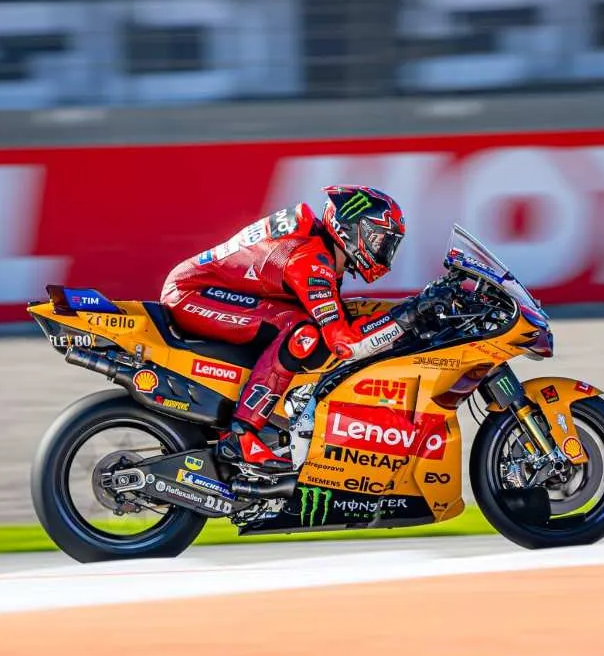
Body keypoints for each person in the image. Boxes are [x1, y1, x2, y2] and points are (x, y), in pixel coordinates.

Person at [160, 185, 416, 477]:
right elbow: (345, 343)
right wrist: (410, 314)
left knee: (309, 329)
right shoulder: (310, 258)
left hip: (207, 289)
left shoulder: (325, 252)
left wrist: (408, 310)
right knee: (302, 331)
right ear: (350, 228)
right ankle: (241, 433)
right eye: (379, 240)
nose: (383, 251)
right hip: (190, 294)